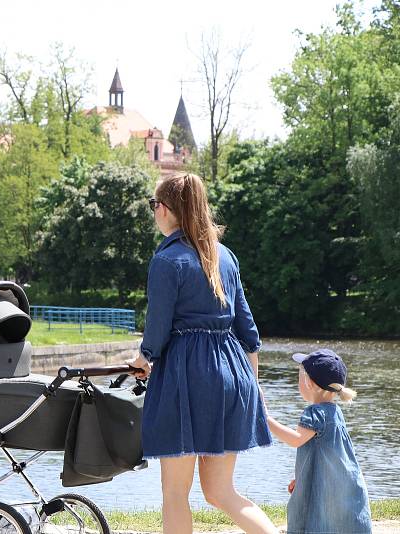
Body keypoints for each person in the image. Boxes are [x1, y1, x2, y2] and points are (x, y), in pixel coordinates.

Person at [127, 173, 276, 534]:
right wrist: (253, 389)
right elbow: (248, 331)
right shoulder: (225, 256)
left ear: (164, 210)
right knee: (221, 491)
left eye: (152, 206)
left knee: (175, 493)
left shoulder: (167, 260)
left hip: (187, 375)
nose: (153, 213)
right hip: (233, 374)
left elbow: (158, 327)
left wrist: (144, 358)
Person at [267, 349, 372, 534]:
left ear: (310, 382)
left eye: (299, 375)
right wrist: (304, 475)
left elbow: (295, 440)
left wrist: (265, 418)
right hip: (341, 484)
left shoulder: (315, 413)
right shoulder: (334, 411)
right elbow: (329, 453)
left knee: (316, 520)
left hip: (327, 491)